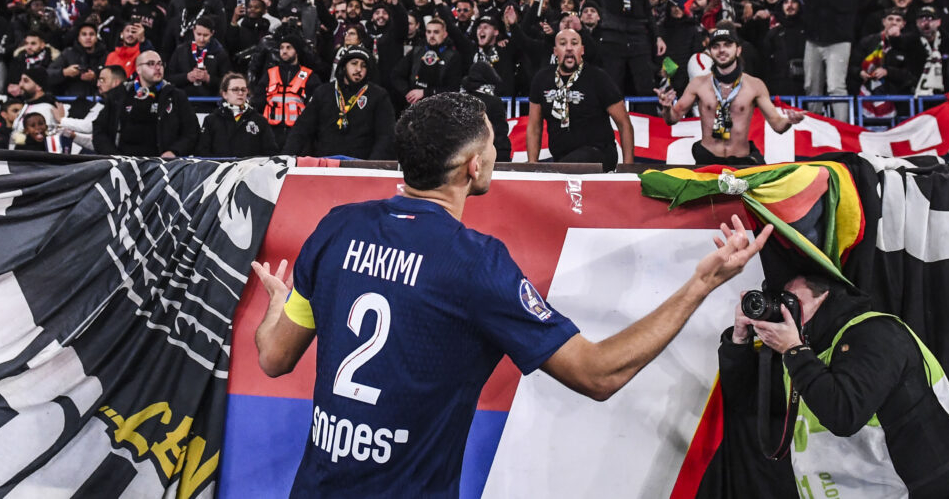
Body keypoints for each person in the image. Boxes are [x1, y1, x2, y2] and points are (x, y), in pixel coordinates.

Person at [249, 92, 772, 498]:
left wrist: (277, 305)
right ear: (472, 167)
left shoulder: (337, 228)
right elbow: (597, 374)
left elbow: (273, 356)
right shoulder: (474, 262)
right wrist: (701, 283)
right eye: (492, 144)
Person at [731, 272, 949, 497]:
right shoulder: (804, 358)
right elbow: (749, 403)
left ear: (825, 296)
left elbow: (843, 414)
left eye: (790, 302)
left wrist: (793, 350)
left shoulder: (875, 334)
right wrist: (739, 341)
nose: (782, 311)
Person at [657, 29, 804, 166]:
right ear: (710, 52)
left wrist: (789, 121)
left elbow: (777, 125)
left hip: (742, 162)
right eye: (716, 46)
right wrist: (667, 108)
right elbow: (672, 119)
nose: (721, 50)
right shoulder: (698, 84)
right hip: (707, 161)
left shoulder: (755, 85)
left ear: (738, 50)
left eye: (727, 45)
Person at [525, 28, 634, 169]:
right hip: (562, 159)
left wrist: (628, 167)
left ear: (582, 50)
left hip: (599, 153)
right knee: (558, 167)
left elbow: (624, 123)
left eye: (574, 43)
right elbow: (534, 126)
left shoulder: (598, 78)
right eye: (563, 44)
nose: (569, 48)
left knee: (568, 164)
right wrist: (532, 164)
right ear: (555, 51)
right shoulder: (541, 79)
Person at [286, 47, 396, 160]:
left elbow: (386, 135)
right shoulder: (323, 92)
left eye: (364, 66)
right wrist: (286, 157)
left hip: (361, 165)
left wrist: (372, 165)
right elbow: (302, 128)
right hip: (325, 165)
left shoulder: (378, 95)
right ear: (343, 66)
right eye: (354, 63)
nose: (359, 69)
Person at [93, 49, 199, 158]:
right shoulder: (120, 94)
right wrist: (113, 155)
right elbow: (99, 130)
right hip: (124, 162)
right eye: (151, 64)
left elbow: (192, 131)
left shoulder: (176, 96)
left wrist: (174, 151)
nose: (158, 68)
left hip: (161, 163)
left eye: (160, 64)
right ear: (138, 69)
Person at [196, 72, 278, 157]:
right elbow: (203, 151)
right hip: (220, 165)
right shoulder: (211, 120)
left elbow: (270, 151)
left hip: (250, 165)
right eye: (235, 89)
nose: (240, 93)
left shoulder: (260, 120)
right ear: (224, 94)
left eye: (243, 89)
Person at [263, 32, 321, 150]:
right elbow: (258, 101)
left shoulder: (309, 76)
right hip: (271, 134)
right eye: (282, 48)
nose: (284, 51)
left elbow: (316, 108)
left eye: (289, 47)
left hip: (299, 135)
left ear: (297, 51)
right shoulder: (270, 74)